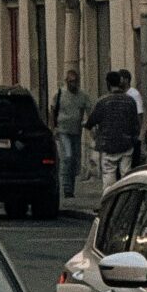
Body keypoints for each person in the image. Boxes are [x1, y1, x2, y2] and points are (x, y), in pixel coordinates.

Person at [85, 71, 142, 188]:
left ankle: (109, 202)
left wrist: (95, 136)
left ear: (108, 84)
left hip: (108, 144)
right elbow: (136, 124)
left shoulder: (102, 102)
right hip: (126, 144)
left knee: (109, 176)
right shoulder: (130, 101)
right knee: (126, 175)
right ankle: (126, 201)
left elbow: (90, 122)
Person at [50, 68, 92, 202]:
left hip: (76, 131)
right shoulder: (59, 94)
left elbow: (89, 110)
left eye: (75, 81)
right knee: (67, 157)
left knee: (74, 160)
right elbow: (52, 111)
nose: (73, 84)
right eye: (70, 82)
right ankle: (66, 188)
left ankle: (71, 188)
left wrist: (90, 125)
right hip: (63, 130)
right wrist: (53, 128)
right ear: (66, 82)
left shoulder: (82, 96)